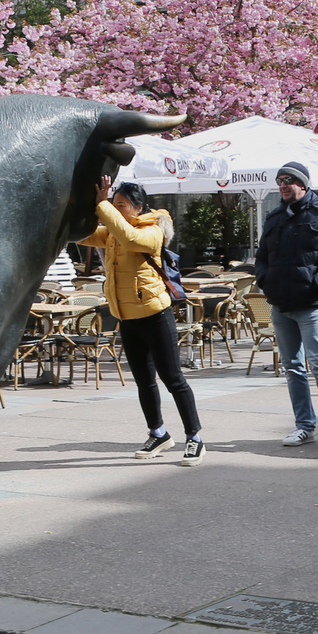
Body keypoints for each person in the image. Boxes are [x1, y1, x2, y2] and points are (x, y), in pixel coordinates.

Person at [78, 178, 205, 466]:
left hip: (155, 315)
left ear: (137, 208)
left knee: (173, 379)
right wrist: (81, 206)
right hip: (127, 318)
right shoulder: (112, 231)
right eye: (114, 205)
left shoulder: (151, 231)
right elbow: (83, 235)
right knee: (144, 382)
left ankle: (194, 437)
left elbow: (128, 238)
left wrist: (101, 205)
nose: (115, 210)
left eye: (121, 205)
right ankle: (158, 433)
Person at [254, 162, 318, 453]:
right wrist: (265, 280)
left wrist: (315, 283)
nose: (283, 185)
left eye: (289, 180)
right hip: (281, 306)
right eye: (279, 181)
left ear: (303, 184)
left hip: (311, 306)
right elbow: (262, 257)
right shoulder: (274, 218)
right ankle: (304, 426)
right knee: (293, 369)